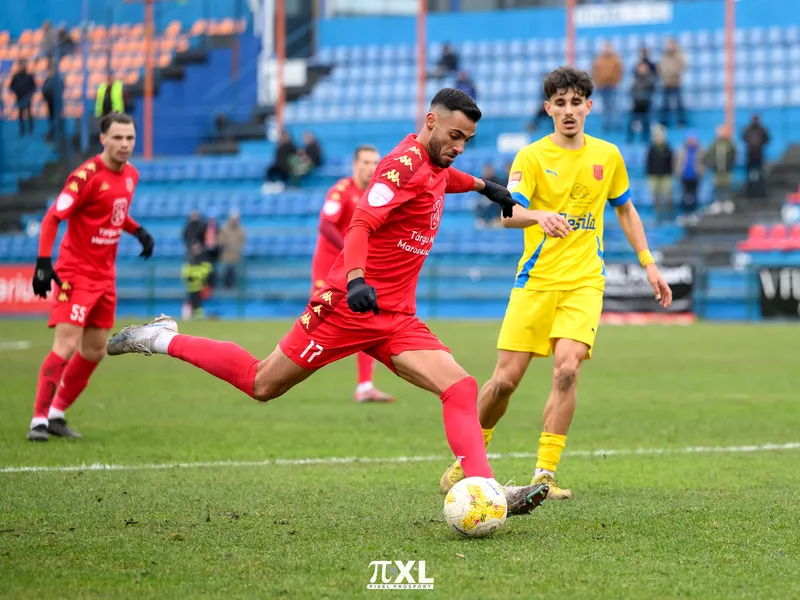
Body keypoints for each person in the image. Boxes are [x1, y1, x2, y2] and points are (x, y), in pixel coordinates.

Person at [106, 88, 549, 515]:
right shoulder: (399, 167)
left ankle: (487, 491)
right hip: (345, 307)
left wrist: (483, 186)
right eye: (454, 136)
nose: (459, 147)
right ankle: (161, 338)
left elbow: (443, 178)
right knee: (262, 384)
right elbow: (360, 224)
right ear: (430, 121)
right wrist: (356, 280)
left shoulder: (434, 163)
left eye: (466, 140)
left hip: (395, 317)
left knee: (460, 386)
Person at [438, 67, 673, 500]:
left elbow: (625, 209)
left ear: (589, 106)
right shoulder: (531, 157)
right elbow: (509, 214)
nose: (568, 111)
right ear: (548, 108)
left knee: (567, 369)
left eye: (576, 103)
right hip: (536, 282)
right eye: (560, 103)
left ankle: (545, 473)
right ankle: (468, 461)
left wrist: (649, 263)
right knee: (504, 382)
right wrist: (539, 216)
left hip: (584, 283)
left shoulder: (608, 156)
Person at [27, 112, 154, 441]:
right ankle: (38, 420)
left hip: (105, 276)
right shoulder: (85, 176)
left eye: (130, 138)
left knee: (96, 350)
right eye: (118, 138)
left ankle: (57, 414)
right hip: (75, 274)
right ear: (103, 139)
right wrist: (43, 262)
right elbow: (53, 217)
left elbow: (113, 212)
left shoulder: (131, 175)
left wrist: (137, 230)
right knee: (66, 345)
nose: (124, 144)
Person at [311, 145, 395, 403]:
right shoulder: (341, 190)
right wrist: (349, 250)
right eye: (365, 162)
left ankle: (365, 386)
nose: (370, 168)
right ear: (354, 165)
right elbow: (326, 224)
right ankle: (274, 372)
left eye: (375, 163)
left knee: (367, 318)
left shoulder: (377, 195)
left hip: (355, 269)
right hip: (329, 267)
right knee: (315, 322)